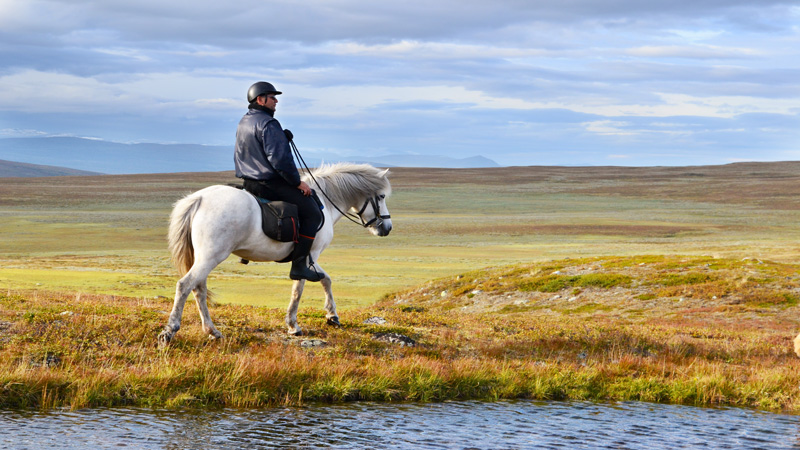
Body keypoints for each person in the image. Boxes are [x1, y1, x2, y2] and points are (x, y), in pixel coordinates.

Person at [234, 81, 324, 282]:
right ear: (260, 99)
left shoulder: (244, 122)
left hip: (249, 182)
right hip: (269, 184)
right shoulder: (268, 123)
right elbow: (281, 160)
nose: (276, 101)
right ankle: (300, 265)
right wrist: (296, 183)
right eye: (272, 97)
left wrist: (281, 138)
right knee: (313, 214)